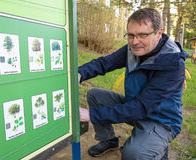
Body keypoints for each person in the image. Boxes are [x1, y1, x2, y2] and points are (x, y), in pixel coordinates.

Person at [78, 8, 188, 160]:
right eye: (131, 35)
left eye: (143, 35)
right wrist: (79, 73)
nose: (135, 42)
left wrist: (91, 115)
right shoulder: (132, 49)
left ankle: (158, 150)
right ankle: (109, 140)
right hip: (136, 108)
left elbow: (141, 107)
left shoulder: (173, 63)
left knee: (133, 154)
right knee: (95, 95)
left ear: (158, 32)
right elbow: (105, 63)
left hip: (162, 120)